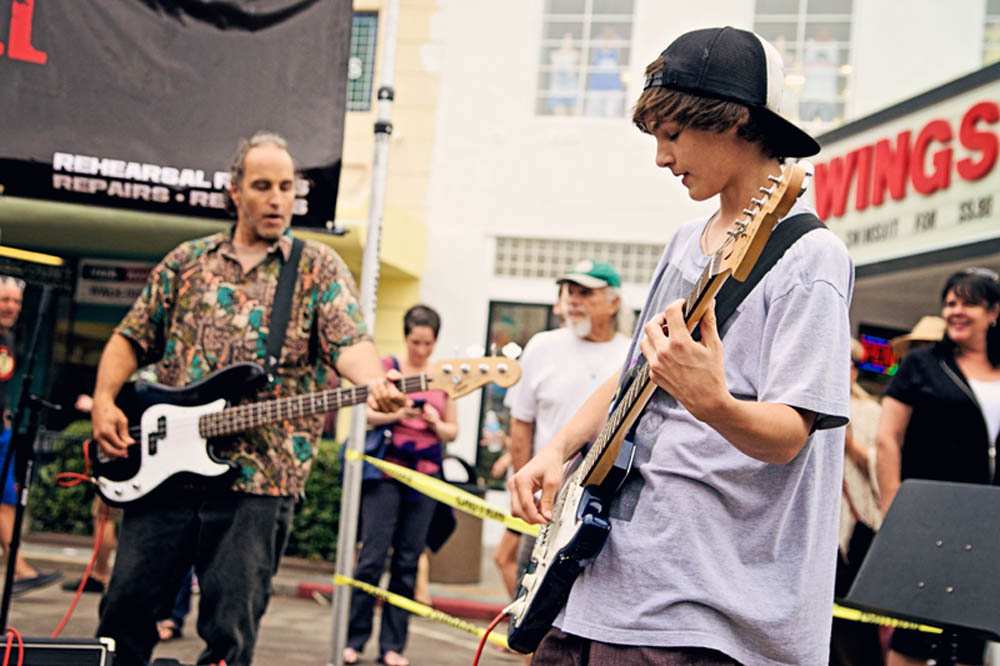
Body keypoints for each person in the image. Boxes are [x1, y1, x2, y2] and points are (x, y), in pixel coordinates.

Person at [509, 26, 853, 665]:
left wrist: (714, 402)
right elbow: (639, 372)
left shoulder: (812, 258)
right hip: (601, 577)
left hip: (706, 611)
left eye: (673, 135)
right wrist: (556, 450)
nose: (662, 158)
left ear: (737, 123)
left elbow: (788, 434)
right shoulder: (682, 243)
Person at [90, 131, 405, 666]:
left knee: (229, 630)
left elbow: (350, 341)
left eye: (287, 186)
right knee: (125, 612)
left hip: (260, 481)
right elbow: (131, 336)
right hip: (163, 471)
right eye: (263, 185)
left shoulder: (316, 268)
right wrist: (103, 400)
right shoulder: (187, 262)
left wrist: (373, 380)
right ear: (236, 192)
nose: (278, 198)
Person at [875, 267, 1000, 666]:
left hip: (987, 521)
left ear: (994, 312)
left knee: (971, 633)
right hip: (930, 515)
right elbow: (887, 438)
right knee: (916, 629)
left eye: (968, 303)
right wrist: (894, 505)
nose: (956, 311)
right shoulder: (921, 365)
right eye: (949, 303)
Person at [344, 304, 458, 666]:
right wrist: (399, 413)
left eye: (427, 343)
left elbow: (453, 430)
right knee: (371, 559)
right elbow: (367, 414)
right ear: (406, 336)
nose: (420, 350)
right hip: (386, 474)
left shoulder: (444, 376)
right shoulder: (389, 370)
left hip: (424, 478)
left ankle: (393, 647)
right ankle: (354, 639)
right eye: (415, 341)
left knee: (408, 562)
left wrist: (435, 422)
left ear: (435, 341)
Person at [505, 261, 630, 579]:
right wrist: (527, 492)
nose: (573, 300)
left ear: (613, 302)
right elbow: (521, 424)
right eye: (569, 291)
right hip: (547, 508)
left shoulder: (630, 354)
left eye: (586, 292)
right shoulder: (542, 346)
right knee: (527, 612)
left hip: (603, 512)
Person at [0, 275, 62, 596]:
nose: (11, 307)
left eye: (16, 302)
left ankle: (19, 568)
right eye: (4, 300)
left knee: (7, 498)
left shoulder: (8, 337)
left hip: (2, 428)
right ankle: (19, 568)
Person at [830, 340, 883, 666]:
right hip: (819, 530)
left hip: (857, 526)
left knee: (858, 624)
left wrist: (850, 444)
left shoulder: (871, 412)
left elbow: (881, 466)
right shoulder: (803, 403)